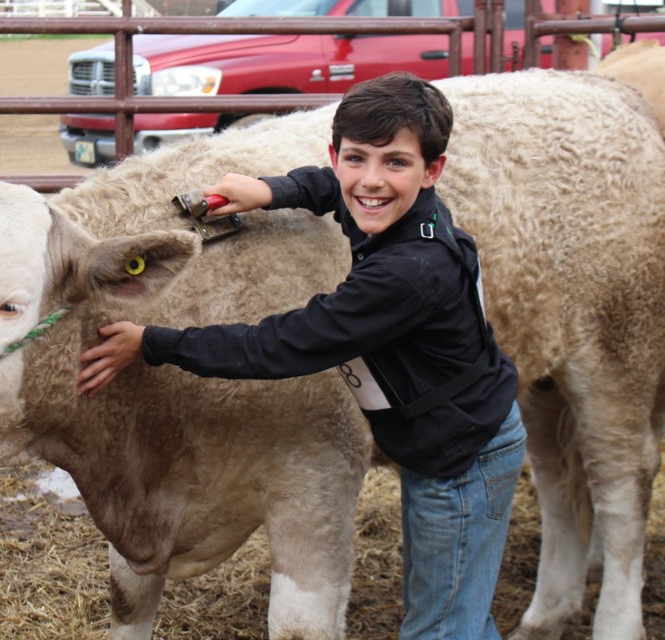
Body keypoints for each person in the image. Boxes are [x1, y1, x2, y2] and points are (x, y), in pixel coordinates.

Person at [76, 72, 525, 639]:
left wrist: (154, 341)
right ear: (337, 156)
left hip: (464, 456)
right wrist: (270, 191)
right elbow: (331, 187)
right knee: (450, 599)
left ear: (432, 170)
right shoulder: (400, 211)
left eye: (395, 163)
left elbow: (285, 343)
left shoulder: (408, 272)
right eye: (356, 159)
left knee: (441, 624)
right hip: (447, 437)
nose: (370, 182)